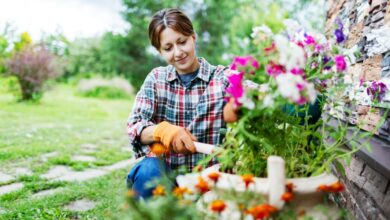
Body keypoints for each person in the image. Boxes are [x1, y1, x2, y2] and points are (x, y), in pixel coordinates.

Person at [126, 8, 229, 199]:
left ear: (193, 37)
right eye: (168, 47)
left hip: (209, 181)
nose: (178, 52)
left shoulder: (222, 78)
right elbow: (134, 126)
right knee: (148, 171)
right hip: (166, 181)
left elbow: (262, 95)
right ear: (159, 51)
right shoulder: (157, 79)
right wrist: (163, 131)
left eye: (182, 42)